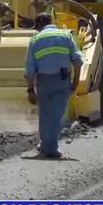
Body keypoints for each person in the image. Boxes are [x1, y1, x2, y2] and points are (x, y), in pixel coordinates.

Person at [24, 12, 83, 158]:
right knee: (56, 114)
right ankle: (50, 148)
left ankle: (46, 145)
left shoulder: (35, 39)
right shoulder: (66, 36)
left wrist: (31, 89)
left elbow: (30, 69)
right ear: (52, 21)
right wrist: (76, 81)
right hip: (62, 81)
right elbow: (77, 61)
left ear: (38, 25)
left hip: (43, 81)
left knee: (45, 114)